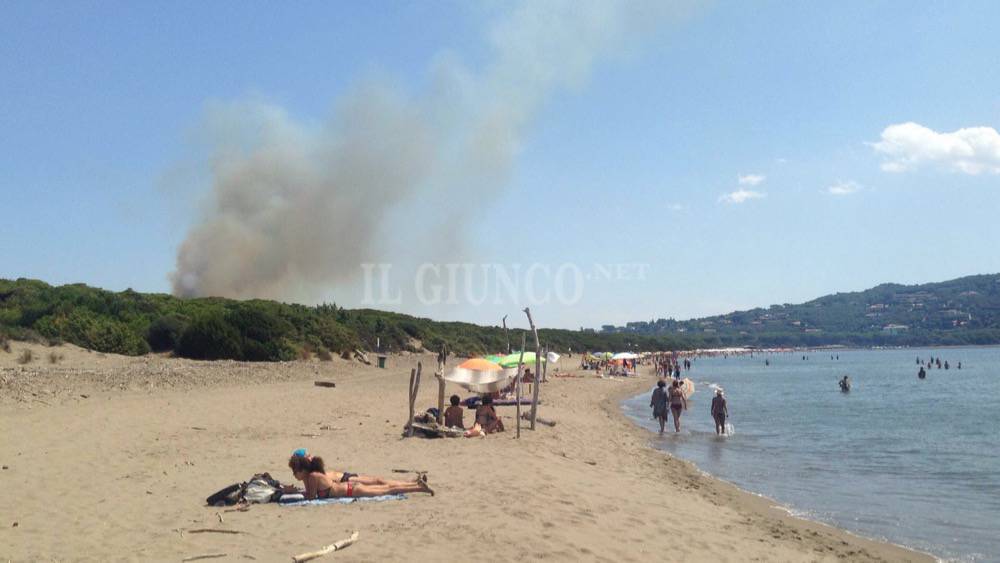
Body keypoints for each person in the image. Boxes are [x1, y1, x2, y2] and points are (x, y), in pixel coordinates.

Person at [287, 454, 433, 498]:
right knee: (386, 487)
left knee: (387, 490)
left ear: (302, 470)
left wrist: (294, 493)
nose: (294, 475)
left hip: (352, 490)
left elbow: (311, 497)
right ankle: (416, 485)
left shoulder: (312, 477)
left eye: (295, 472)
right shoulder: (312, 476)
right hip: (350, 488)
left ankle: (419, 488)